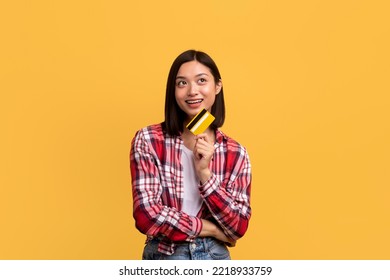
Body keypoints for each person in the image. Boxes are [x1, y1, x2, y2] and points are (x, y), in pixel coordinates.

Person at [130, 50, 252, 260]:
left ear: (217, 86)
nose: (192, 91)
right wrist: (212, 230)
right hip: (165, 255)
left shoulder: (236, 153)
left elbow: (238, 225)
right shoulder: (149, 140)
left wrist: (204, 173)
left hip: (215, 258)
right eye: (182, 83)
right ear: (173, 90)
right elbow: (146, 215)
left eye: (201, 81)